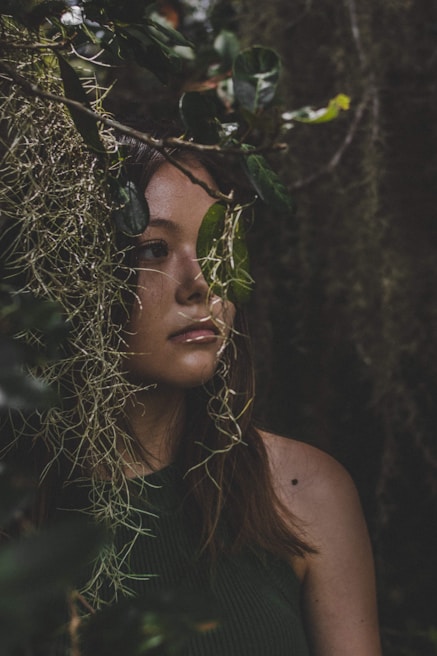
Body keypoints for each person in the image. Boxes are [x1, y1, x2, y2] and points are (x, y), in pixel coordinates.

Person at [2, 133, 382, 656]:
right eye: (152, 249)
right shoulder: (19, 517)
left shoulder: (302, 493)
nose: (200, 282)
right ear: (69, 276)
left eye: (214, 244)